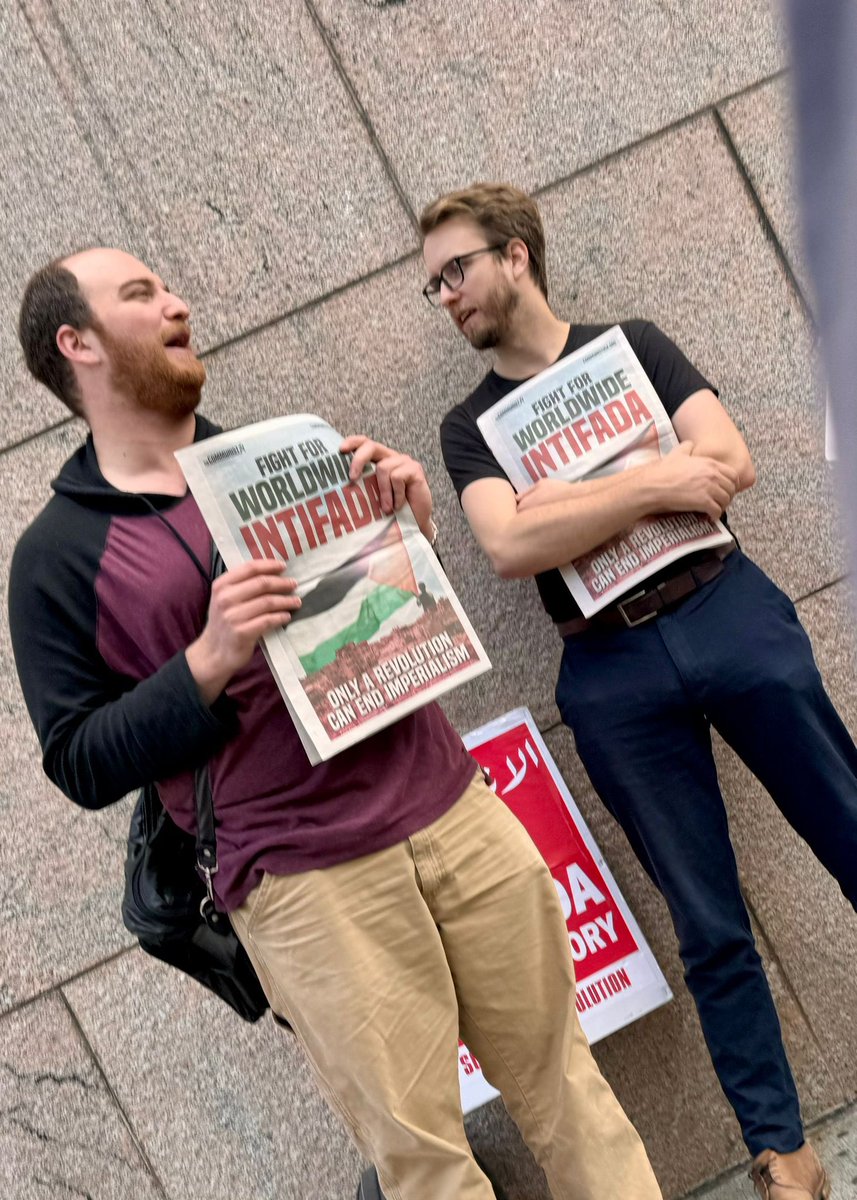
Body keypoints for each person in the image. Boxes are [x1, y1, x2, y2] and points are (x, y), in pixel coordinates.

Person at [9, 247, 663, 1200]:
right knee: (429, 1170)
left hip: (453, 812)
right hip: (305, 884)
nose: (178, 303)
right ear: (78, 343)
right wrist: (206, 659)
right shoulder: (56, 557)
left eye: (169, 287)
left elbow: (383, 625)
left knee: (571, 1093)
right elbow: (77, 761)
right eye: (142, 295)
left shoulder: (288, 460)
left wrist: (407, 533)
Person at [422, 182, 855, 1200]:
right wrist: (652, 481)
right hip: (609, 669)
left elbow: (730, 461)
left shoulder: (635, 345)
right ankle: (782, 1155)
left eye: (457, 269)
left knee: (845, 823)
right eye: (432, 284)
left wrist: (571, 500)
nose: (445, 294)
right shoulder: (468, 426)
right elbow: (505, 543)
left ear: (515, 254)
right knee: (705, 921)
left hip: (726, 611)